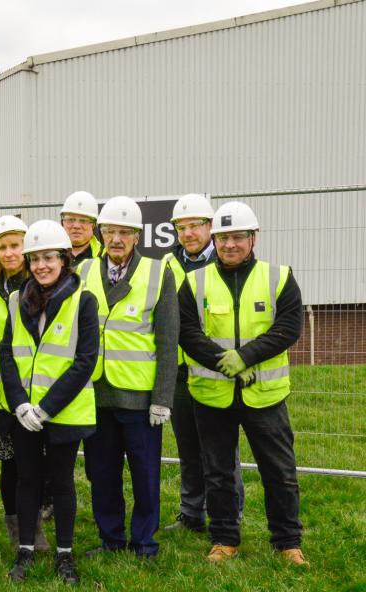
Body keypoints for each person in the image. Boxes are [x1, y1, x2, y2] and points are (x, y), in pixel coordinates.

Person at [178, 202, 307, 566]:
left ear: (253, 237)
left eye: (237, 237)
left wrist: (246, 357)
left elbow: (287, 328)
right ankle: (224, 539)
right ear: (214, 241)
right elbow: (187, 333)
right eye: (222, 238)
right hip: (212, 396)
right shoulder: (193, 282)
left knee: (279, 472)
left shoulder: (279, 277)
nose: (229, 244)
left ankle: (287, 542)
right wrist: (227, 364)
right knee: (217, 473)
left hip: (265, 396)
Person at [0, 220, 99, 584]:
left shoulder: (83, 301)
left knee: (61, 482)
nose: (41, 265)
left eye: (49, 258)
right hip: (25, 414)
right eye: (35, 259)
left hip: (64, 411)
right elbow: (7, 354)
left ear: (64, 258)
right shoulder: (16, 299)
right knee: (27, 480)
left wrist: (46, 407)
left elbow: (85, 361)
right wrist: (20, 404)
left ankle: (65, 554)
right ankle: (25, 549)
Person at [78, 195, 178, 559]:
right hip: (95, 393)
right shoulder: (86, 271)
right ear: (100, 234)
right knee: (101, 473)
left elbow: (168, 339)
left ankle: (144, 542)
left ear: (138, 236)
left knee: (145, 475)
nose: (116, 239)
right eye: (109, 231)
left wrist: (162, 399)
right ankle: (111, 539)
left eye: (124, 232)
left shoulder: (157, 272)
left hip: (139, 397)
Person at [163, 194, 245, 533]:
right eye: (181, 228)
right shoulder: (167, 265)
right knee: (188, 447)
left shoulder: (226, 263)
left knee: (222, 450)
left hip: (220, 370)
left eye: (195, 226)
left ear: (210, 227)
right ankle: (191, 512)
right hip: (182, 372)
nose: (188, 234)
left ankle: (227, 512)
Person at [0, 214, 47, 552]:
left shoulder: (39, 286)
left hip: (31, 392)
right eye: (2, 247)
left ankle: (35, 527)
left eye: (15, 245)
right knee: (10, 467)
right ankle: (15, 527)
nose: (8, 253)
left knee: (33, 466)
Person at [60, 191, 103, 265]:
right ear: (62, 223)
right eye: (70, 219)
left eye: (83, 221)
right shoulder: (50, 254)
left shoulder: (104, 256)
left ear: (93, 225)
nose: (76, 226)